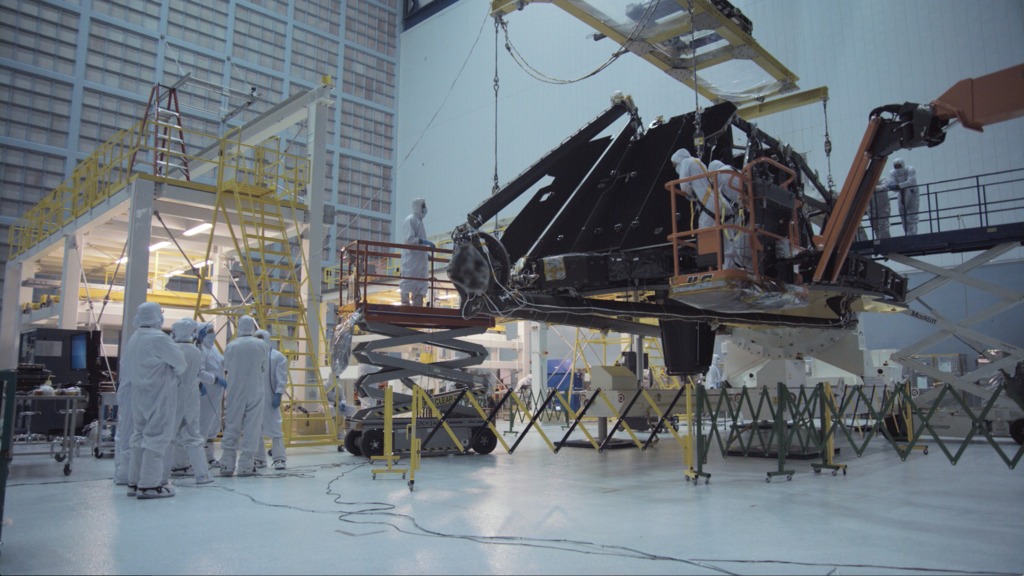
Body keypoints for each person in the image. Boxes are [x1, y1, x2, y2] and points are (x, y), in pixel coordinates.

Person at [125, 302, 186, 499]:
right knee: (157, 437)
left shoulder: (135, 338)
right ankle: (150, 485)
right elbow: (180, 362)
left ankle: (134, 481)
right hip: (158, 394)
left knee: (139, 436)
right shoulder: (159, 338)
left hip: (140, 394)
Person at [165, 318, 214, 485]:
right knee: (193, 434)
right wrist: (214, 380)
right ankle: (202, 475)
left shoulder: (172, 349)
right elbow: (201, 374)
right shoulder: (195, 351)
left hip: (174, 395)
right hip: (191, 396)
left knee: (169, 435)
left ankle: (162, 476)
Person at [220, 315, 269, 477]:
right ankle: (246, 465)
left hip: (235, 390)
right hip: (255, 389)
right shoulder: (261, 345)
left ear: (239, 326)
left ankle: (226, 464)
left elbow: (226, 366)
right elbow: (263, 367)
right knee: (252, 428)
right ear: (253, 327)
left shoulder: (231, 346)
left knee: (232, 425)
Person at [254, 330, 288, 471]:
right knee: (256, 429)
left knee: (275, 428)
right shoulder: (253, 357)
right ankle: (259, 459)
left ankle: (279, 459)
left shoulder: (277, 357)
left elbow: (281, 377)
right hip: (255, 398)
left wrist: (279, 394)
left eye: (261, 338)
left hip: (270, 396)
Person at [708, 159, 747, 269]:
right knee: (740, 240)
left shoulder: (719, 174)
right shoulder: (736, 172)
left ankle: (729, 267)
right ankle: (740, 265)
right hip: (743, 210)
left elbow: (715, 196)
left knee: (729, 241)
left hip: (733, 212)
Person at [197, 323, 227, 466]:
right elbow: (200, 372)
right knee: (202, 425)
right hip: (205, 394)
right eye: (209, 331)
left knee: (213, 426)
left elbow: (221, 363)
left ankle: (209, 458)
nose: (213, 334)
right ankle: (197, 460)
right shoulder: (200, 350)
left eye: (213, 331)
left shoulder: (214, 349)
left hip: (216, 394)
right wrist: (215, 379)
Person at [399, 198, 434, 307]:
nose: (425, 209)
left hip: (419, 260)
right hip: (411, 260)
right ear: (419, 207)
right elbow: (409, 240)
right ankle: (405, 306)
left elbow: (419, 245)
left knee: (419, 284)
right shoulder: (410, 219)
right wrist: (424, 242)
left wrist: (425, 254)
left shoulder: (419, 222)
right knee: (408, 281)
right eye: (423, 206)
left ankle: (417, 308)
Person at [883, 158, 919, 235]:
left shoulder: (910, 170)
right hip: (901, 193)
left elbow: (910, 182)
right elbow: (892, 184)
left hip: (912, 192)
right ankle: (907, 232)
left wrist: (898, 185)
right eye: (896, 166)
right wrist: (894, 186)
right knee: (902, 212)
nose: (898, 168)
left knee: (912, 213)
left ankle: (913, 233)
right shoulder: (893, 173)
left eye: (899, 166)